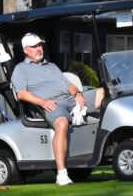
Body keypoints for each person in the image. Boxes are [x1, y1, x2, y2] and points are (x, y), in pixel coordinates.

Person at [12, 33, 104, 186]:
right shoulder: (21, 69)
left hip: (70, 99)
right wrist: (42, 102)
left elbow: (69, 85)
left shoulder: (52, 66)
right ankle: (61, 173)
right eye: (34, 46)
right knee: (61, 124)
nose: (39, 48)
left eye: (40, 45)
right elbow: (21, 93)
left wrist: (78, 94)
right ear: (26, 50)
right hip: (50, 105)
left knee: (105, 92)